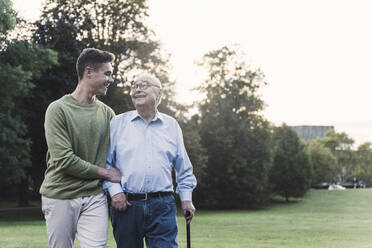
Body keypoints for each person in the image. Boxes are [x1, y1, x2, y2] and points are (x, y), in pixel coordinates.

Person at [40, 48, 122, 248]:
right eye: (107, 73)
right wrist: (106, 173)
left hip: (94, 195)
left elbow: (115, 156)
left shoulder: (108, 114)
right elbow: (64, 160)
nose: (111, 79)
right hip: (60, 194)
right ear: (89, 72)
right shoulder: (58, 109)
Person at [103, 74, 197, 248]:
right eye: (134, 86)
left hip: (162, 205)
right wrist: (115, 192)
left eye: (144, 85)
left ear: (159, 93)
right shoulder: (117, 123)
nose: (137, 89)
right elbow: (106, 164)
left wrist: (186, 199)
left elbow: (183, 167)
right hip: (127, 206)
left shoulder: (171, 125)